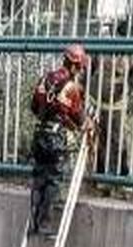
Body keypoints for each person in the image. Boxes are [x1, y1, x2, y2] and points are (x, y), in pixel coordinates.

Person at [29, 43, 93, 236]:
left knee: (39, 178)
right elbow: (78, 118)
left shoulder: (45, 80)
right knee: (53, 180)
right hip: (55, 139)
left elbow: (33, 107)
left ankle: (34, 222)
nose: (80, 71)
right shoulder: (72, 88)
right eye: (80, 67)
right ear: (75, 65)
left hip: (39, 136)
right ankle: (45, 224)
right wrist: (87, 124)